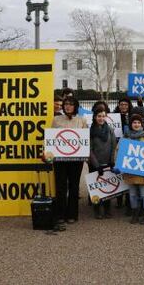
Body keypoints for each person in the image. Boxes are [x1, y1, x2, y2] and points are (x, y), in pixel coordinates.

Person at [52, 96, 88, 229]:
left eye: (71, 104)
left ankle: (72, 214)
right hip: (60, 159)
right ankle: (60, 215)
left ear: (75, 106)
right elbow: (53, 139)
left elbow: (85, 140)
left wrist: (85, 155)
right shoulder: (56, 120)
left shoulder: (81, 120)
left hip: (75, 160)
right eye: (66, 104)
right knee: (61, 186)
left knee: (74, 186)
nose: (67, 106)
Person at [123, 114, 144, 225]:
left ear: (141, 124)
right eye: (134, 122)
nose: (136, 124)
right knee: (132, 194)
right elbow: (119, 150)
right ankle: (135, 214)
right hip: (130, 171)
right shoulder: (125, 137)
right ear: (131, 124)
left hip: (143, 172)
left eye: (138, 123)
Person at [89, 107, 117, 219]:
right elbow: (90, 149)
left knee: (107, 187)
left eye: (103, 116)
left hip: (107, 162)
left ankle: (107, 209)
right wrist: (96, 165)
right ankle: (96, 210)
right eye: (98, 116)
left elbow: (113, 146)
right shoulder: (90, 131)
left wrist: (111, 161)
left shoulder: (110, 129)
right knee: (96, 188)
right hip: (95, 163)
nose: (101, 118)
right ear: (95, 117)